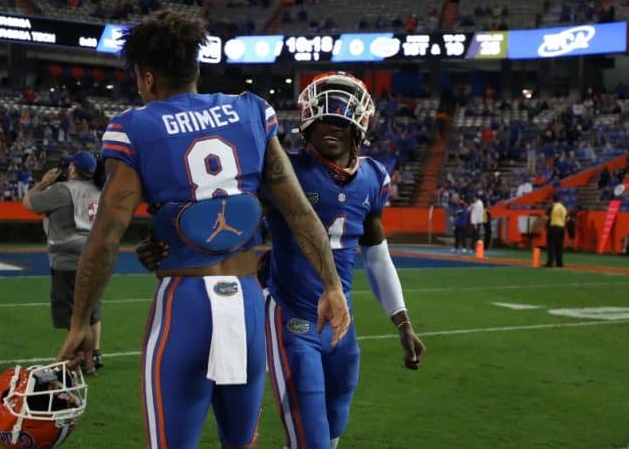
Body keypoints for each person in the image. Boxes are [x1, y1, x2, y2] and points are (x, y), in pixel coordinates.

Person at [54, 11, 350, 449]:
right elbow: (299, 211)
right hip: (247, 302)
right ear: (196, 67)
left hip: (186, 304)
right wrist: (332, 285)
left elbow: (105, 237)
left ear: (148, 78)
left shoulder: (134, 127)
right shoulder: (251, 111)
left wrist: (81, 322)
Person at [140, 71, 425, 449]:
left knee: (337, 417)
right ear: (307, 121)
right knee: (309, 433)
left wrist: (402, 322)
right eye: (323, 118)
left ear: (358, 127)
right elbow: (227, 208)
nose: (331, 126)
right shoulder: (284, 171)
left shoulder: (372, 177)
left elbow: (377, 256)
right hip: (291, 315)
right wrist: (169, 238)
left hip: (341, 317)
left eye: (341, 119)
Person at [24, 151, 106, 374]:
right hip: (95, 256)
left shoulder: (62, 190)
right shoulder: (100, 189)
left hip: (68, 260)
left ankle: (66, 363)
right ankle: (87, 360)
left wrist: (44, 182)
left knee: (75, 318)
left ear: (72, 168)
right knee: (88, 314)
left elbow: (29, 203)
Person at [544, 194, 568, 267]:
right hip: (562, 228)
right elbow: (567, 219)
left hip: (553, 227)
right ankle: (559, 263)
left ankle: (550, 262)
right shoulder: (564, 207)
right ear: (559, 200)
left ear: (552, 200)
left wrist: (545, 226)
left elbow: (546, 218)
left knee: (551, 246)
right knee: (559, 246)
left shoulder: (551, 207)